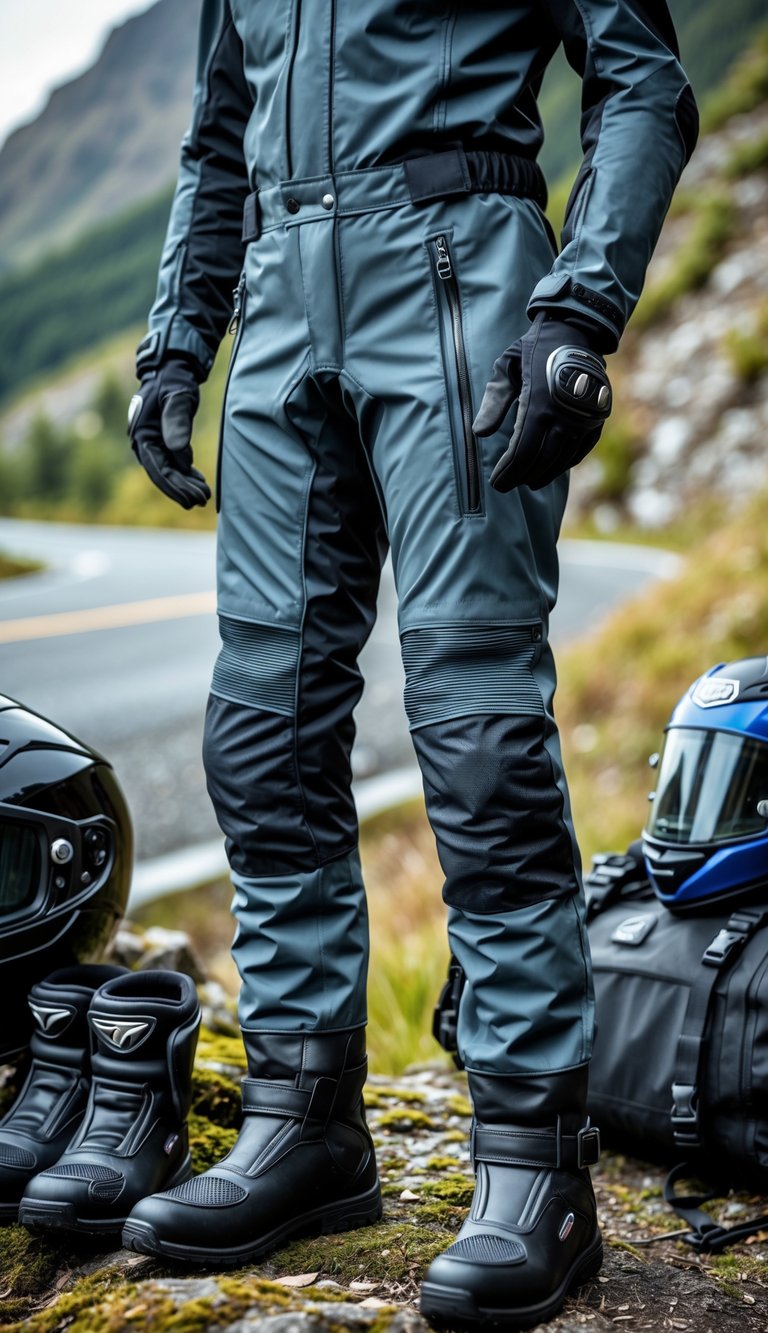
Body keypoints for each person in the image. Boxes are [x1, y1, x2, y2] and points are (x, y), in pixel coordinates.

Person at [124, 3, 698, 1325]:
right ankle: (304, 1119)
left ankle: (532, 1162)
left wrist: (580, 309)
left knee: (476, 722)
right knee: (260, 727)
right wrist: (177, 337)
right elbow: (220, 142)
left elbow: (642, 77)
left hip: (458, 270)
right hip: (279, 298)